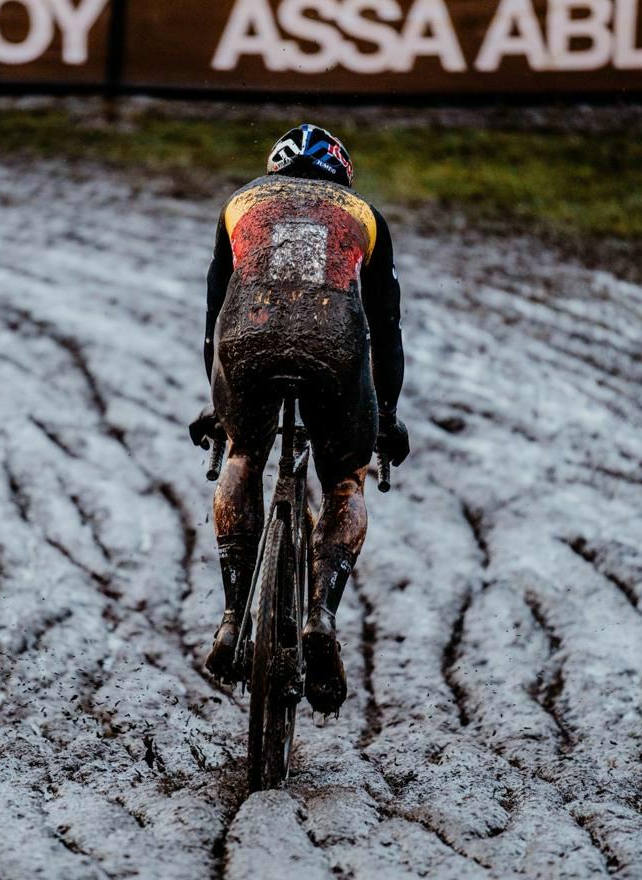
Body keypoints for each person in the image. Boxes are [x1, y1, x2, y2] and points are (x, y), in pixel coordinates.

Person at [189, 124, 408, 714]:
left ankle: (233, 617)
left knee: (242, 455)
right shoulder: (363, 215)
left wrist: (219, 405)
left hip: (246, 341)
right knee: (344, 480)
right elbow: (386, 332)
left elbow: (213, 313)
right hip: (334, 347)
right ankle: (320, 615)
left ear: (275, 170)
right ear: (341, 172)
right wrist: (386, 414)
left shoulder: (240, 203)